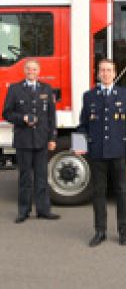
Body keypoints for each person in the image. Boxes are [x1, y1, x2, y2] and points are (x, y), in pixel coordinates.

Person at [75, 59, 126, 247]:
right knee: (98, 193)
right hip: (97, 152)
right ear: (98, 73)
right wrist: (79, 144)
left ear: (115, 72)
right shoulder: (89, 96)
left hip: (119, 151)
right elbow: (83, 124)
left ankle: (123, 232)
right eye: (102, 70)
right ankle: (100, 231)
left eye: (109, 70)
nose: (105, 73)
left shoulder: (125, 95)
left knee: (121, 192)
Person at [2, 59, 60, 223]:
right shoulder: (15, 89)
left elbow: (51, 117)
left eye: (34, 69)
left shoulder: (46, 89)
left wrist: (52, 138)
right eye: (28, 69)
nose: (31, 72)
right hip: (23, 141)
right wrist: (23, 118)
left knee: (42, 177)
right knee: (25, 178)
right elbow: (6, 113)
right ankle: (23, 211)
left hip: (41, 140)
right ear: (24, 71)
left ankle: (43, 210)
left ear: (38, 71)